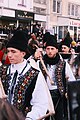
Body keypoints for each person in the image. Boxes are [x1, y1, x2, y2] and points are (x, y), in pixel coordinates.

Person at [0, 30, 55, 120]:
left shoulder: (35, 74)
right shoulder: (2, 71)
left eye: (13, 52)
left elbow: (40, 104)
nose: (9, 55)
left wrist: (30, 118)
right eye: (8, 51)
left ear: (23, 53)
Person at [34, 35, 76, 120]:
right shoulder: (39, 63)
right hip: (44, 95)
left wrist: (68, 92)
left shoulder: (63, 64)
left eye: (52, 49)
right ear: (45, 50)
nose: (50, 51)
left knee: (59, 117)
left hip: (58, 95)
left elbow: (72, 80)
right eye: (48, 49)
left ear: (57, 50)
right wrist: (34, 57)